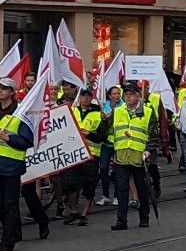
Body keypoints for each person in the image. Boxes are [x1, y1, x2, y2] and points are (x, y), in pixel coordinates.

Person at [0, 77, 38, 251]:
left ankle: (6, 243)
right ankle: (13, 230)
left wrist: (8, 138)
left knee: (10, 204)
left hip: (12, 167)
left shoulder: (20, 114)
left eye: (5, 88)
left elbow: (27, 141)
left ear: (12, 92)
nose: (1, 90)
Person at [110, 83, 153, 230]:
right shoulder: (117, 111)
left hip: (139, 157)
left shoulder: (147, 112)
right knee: (121, 189)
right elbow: (109, 131)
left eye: (131, 94)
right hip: (121, 156)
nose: (127, 96)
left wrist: (148, 150)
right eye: (126, 94)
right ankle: (121, 220)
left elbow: (153, 134)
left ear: (138, 96)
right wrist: (104, 121)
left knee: (141, 188)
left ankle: (144, 217)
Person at [62, 88, 101, 226]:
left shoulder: (98, 114)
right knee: (68, 183)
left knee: (89, 185)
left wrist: (89, 134)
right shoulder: (71, 111)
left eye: (88, 96)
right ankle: (74, 211)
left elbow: (102, 136)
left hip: (91, 154)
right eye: (83, 96)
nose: (85, 98)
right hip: (73, 154)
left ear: (91, 98)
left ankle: (84, 214)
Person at [95, 85, 122, 205]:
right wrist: (104, 119)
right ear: (110, 96)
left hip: (118, 143)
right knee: (104, 169)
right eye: (115, 94)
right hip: (107, 143)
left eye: (118, 93)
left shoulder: (123, 106)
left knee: (117, 171)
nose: (117, 96)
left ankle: (117, 196)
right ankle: (105, 195)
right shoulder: (103, 106)